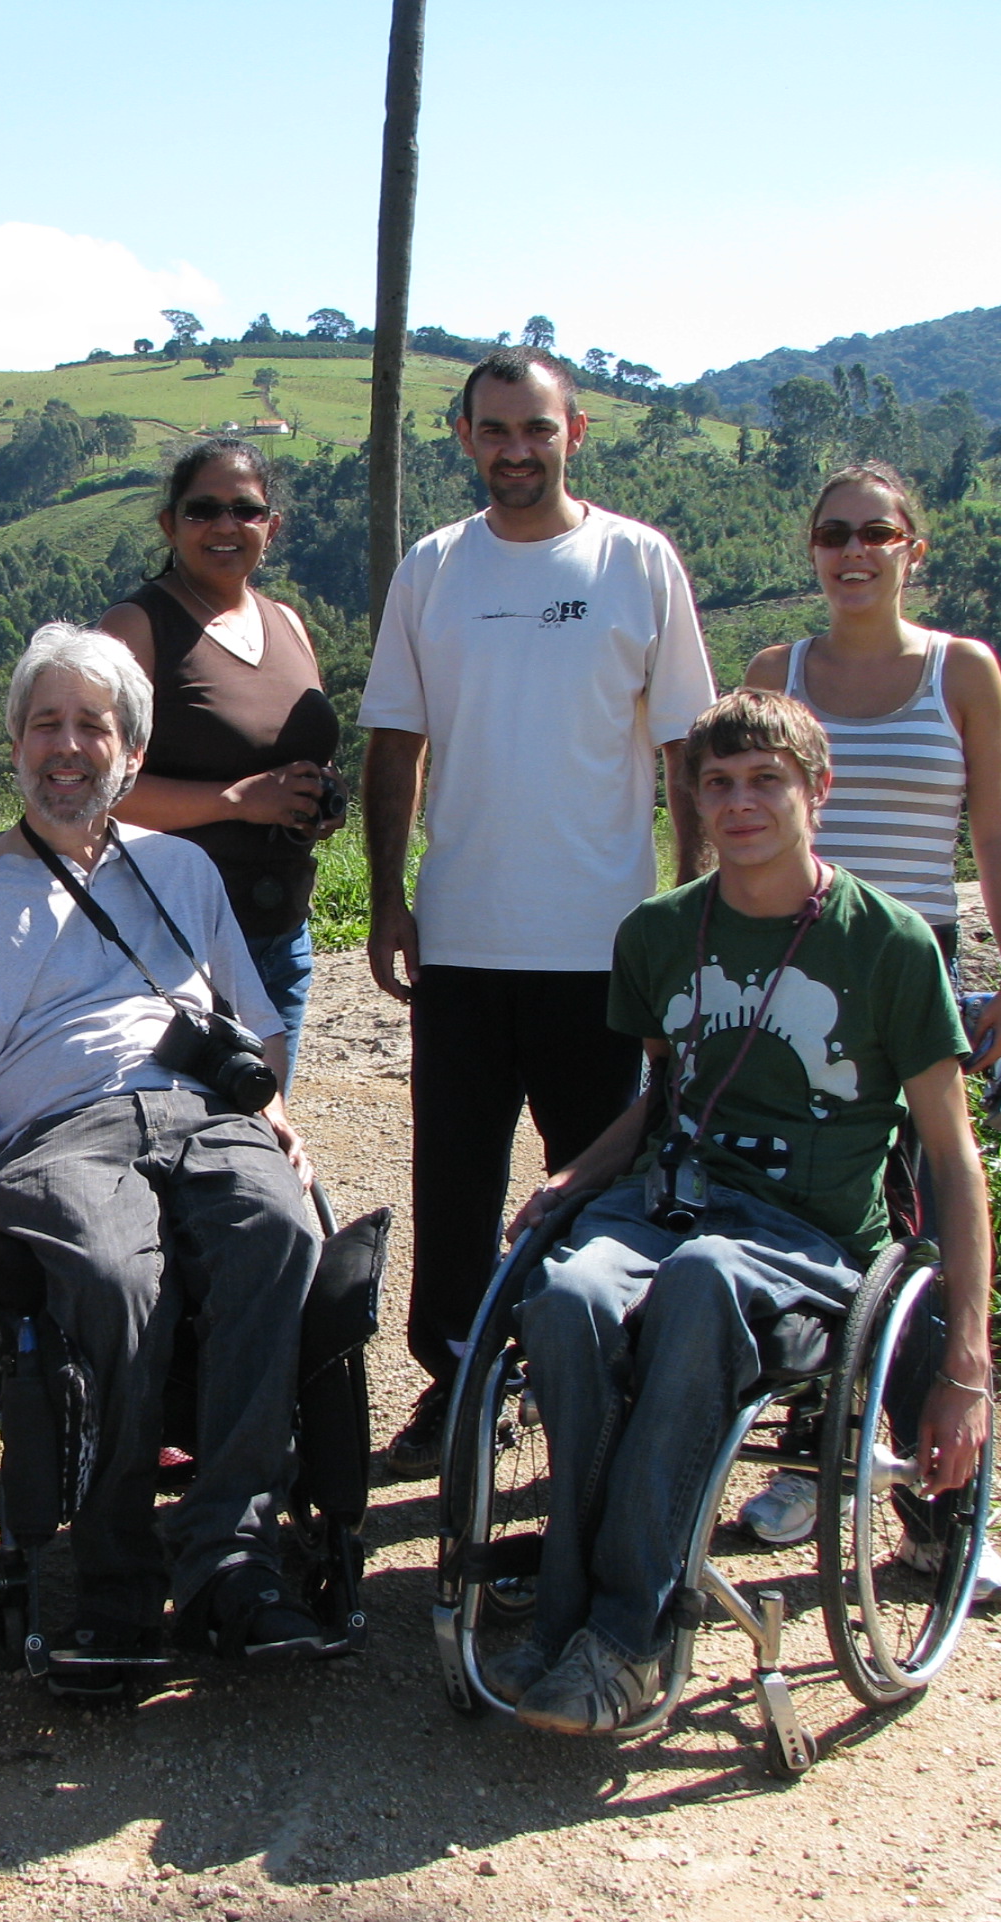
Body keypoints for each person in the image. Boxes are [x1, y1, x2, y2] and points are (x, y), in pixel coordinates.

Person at [492, 689, 991, 1735]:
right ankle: (573, 1612)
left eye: (766, 779)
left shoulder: (889, 947)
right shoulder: (662, 934)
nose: (740, 802)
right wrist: (574, 1177)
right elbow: (659, 1100)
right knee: (571, 1286)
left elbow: (952, 1154)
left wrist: (965, 1363)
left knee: (705, 1279)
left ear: (818, 789)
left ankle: (625, 1634)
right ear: (695, 802)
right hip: (676, 1207)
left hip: (806, 1242)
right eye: (718, 784)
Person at [0, 623, 324, 1699]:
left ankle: (231, 1556)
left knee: (283, 1230)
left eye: (93, 726)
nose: (67, 746)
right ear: (16, 746)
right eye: (46, 724)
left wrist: (272, 1108)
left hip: (197, 1113)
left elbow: (255, 1022)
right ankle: (118, 1581)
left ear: (131, 753)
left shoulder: (181, 870)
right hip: (57, 1131)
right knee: (121, 1277)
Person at [357, 348, 718, 1478]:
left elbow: (687, 746)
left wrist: (693, 905)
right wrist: (386, 898)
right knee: (454, 1178)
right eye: (496, 430)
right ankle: (459, 1374)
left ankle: (588, 1383)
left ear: (578, 431)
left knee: (596, 1176)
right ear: (463, 437)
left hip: (606, 941)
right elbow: (395, 743)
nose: (518, 449)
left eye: (538, 428)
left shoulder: (636, 561)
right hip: (463, 934)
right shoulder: (432, 569)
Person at [734, 462, 1001, 1592]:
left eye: (875, 532)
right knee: (797, 1211)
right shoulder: (779, 672)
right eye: (832, 534)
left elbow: (994, 830)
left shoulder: (964, 672)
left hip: (915, 979)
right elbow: (730, 815)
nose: (852, 551)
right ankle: (818, 1460)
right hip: (791, 973)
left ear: (914, 548)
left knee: (912, 1229)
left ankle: (944, 1501)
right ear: (811, 549)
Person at [94, 438, 344, 1076]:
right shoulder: (136, 627)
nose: (226, 526)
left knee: (267, 1129)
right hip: (175, 939)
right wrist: (236, 800)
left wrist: (314, 799)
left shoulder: (287, 623)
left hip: (282, 932)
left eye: (246, 510)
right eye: (203, 510)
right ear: (169, 524)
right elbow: (88, 788)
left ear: (272, 526)